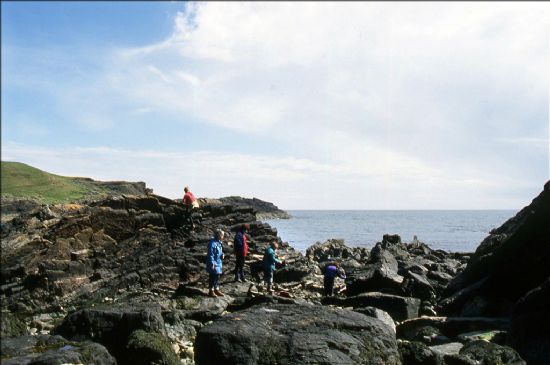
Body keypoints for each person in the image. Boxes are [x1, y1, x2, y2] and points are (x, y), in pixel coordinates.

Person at [206, 229, 225, 297]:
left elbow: (220, 251)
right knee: (212, 277)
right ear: (219, 235)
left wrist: (222, 254)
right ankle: (211, 291)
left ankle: (216, 289)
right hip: (214, 263)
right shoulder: (212, 243)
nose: (223, 236)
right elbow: (211, 254)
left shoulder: (219, 242)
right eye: (222, 235)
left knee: (217, 276)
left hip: (219, 262)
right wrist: (212, 263)